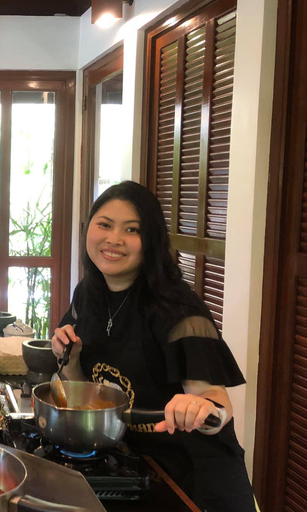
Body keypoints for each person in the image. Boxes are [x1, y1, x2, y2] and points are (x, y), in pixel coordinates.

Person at [50, 181, 255, 511]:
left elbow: (216, 402)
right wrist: (69, 359)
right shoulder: (88, 295)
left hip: (191, 481)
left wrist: (202, 409)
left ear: (151, 241)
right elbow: (85, 397)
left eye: (132, 229)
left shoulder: (178, 312)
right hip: (132, 468)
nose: (114, 239)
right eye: (104, 225)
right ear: (88, 228)